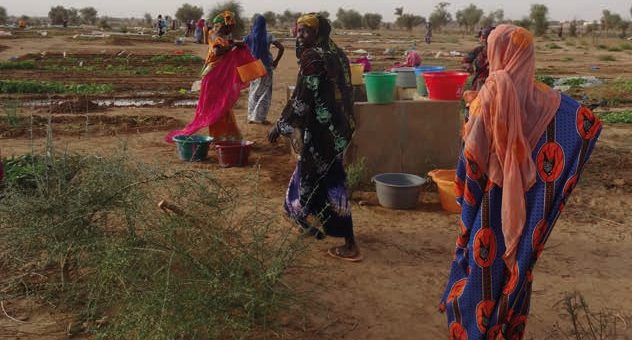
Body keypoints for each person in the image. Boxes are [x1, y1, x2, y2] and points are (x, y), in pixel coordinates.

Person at [439, 24, 602, 339]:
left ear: (496, 52)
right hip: (529, 206)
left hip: (489, 205)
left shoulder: (488, 97)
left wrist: (465, 197)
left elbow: (470, 162)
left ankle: (472, 328)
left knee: (481, 265)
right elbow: (582, 125)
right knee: (518, 264)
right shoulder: (550, 103)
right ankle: (507, 327)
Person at [268, 13, 361, 262]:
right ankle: (304, 220)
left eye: (306, 31)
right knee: (313, 175)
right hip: (337, 130)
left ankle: (350, 243)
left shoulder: (313, 57)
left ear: (318, 33)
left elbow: (303, 98)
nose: (300, 36)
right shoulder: (336, 53)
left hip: (323, 134)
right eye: (298, 31)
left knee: (331, 181)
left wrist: (281, 125)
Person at [165, 11, 259, 142]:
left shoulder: (216, 35)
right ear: (221, 25)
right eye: (228, 27)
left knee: (222, 106)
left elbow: (223, 46)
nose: (230, 29)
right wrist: (234, 45)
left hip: (216, 75)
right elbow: (218, 51)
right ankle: (221, 137)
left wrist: (233, 43)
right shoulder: (216, 36)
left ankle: (228, 136)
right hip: (214, 77)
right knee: (218, 107)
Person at [244, 14, 285, 124]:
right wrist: (276, 61)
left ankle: (251, 117)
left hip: (253, 66)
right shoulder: (268, 36)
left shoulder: (249, 36)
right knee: (265, 92)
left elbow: (241, 47)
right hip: (266, 66)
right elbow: (281, 47)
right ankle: (260, 118)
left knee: (253, 90)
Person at [463, 26, 494, 92]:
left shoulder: (502, 53)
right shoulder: (478, 50)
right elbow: (465, 61)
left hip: (495, 84)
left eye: (482, 37)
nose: (481, 40)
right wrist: (468, 66)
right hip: (479, 84)